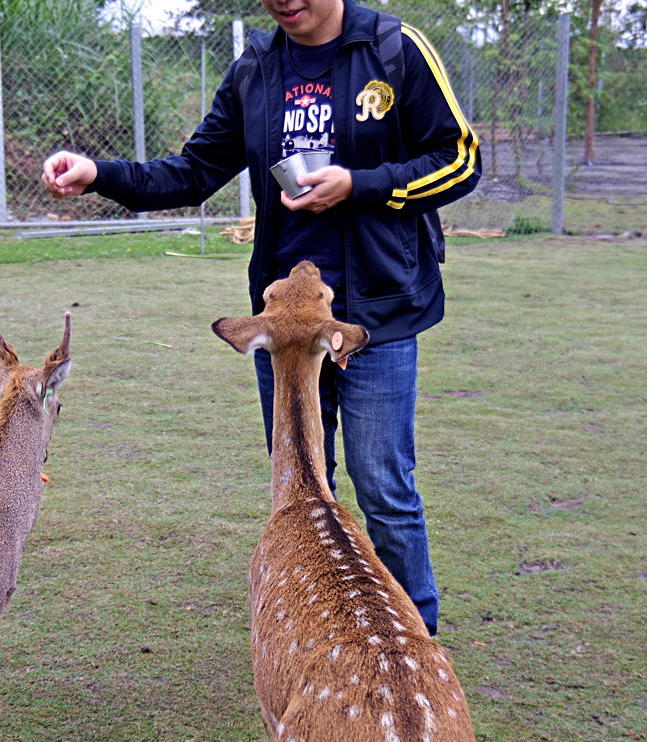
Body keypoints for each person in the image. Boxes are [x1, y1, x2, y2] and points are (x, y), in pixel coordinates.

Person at [42, 0, 478, 634]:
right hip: (281, 330)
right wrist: (98, 173)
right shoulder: (256, 68)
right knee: (301, 487)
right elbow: (192, 172)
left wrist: (359, 185)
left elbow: (460, 159)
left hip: (376, 315)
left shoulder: (394, 48)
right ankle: (322, 633)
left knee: (383, 487)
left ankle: (418, 638)